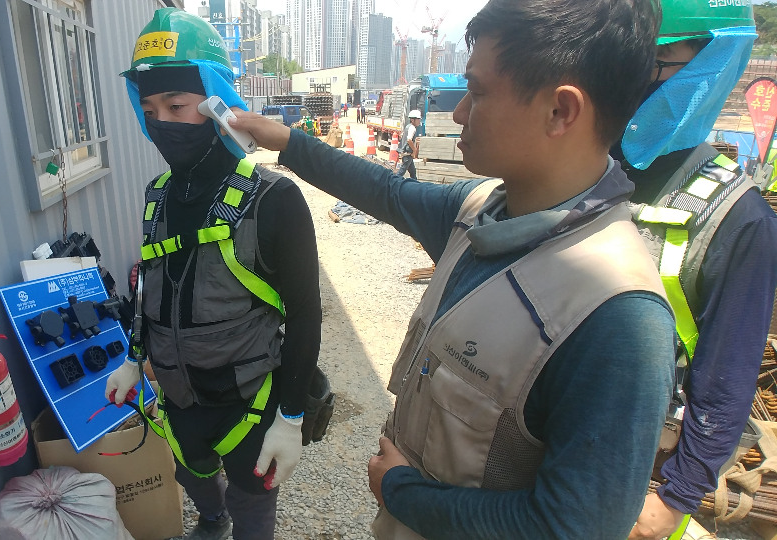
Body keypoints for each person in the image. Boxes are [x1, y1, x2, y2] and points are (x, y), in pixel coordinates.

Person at [229, 0, 675, 538]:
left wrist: (402, 491)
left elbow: (571, 528)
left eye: (478, 91)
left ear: (561, 111)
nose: (460, 112)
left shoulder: (617, 319)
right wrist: (284, 140)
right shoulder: (480, 211)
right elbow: (387, 191)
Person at [105, 8, 322, 540]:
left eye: (177, 105)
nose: (162, 122)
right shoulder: (158, 196)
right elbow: (150, 285)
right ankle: (210, 518)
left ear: (216, 101)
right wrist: (134, 358)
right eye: (149, 110)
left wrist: (291, 417)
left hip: (247, 402)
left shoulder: (274, 198)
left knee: (252, 499)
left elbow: (305, 314)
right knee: (194, 475)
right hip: (179, 398)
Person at [611, 3, 777, 539]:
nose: (633, 76)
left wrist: (673, 500)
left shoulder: (738, 218)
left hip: (637, 470)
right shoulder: (585, 168)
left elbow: (726, 378)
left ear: (712, 66)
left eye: (656, 59)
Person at [397, 111, 420, 178]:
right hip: (407, 154)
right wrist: (414, 150)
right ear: (412, 120)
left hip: (406, 153)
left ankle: (415, 183)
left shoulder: (408, 126)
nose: (419, 121)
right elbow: (409, 140)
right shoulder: (412, 128)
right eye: (418, 119)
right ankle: (393, 181)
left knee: (413, 171)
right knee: (402, 171)